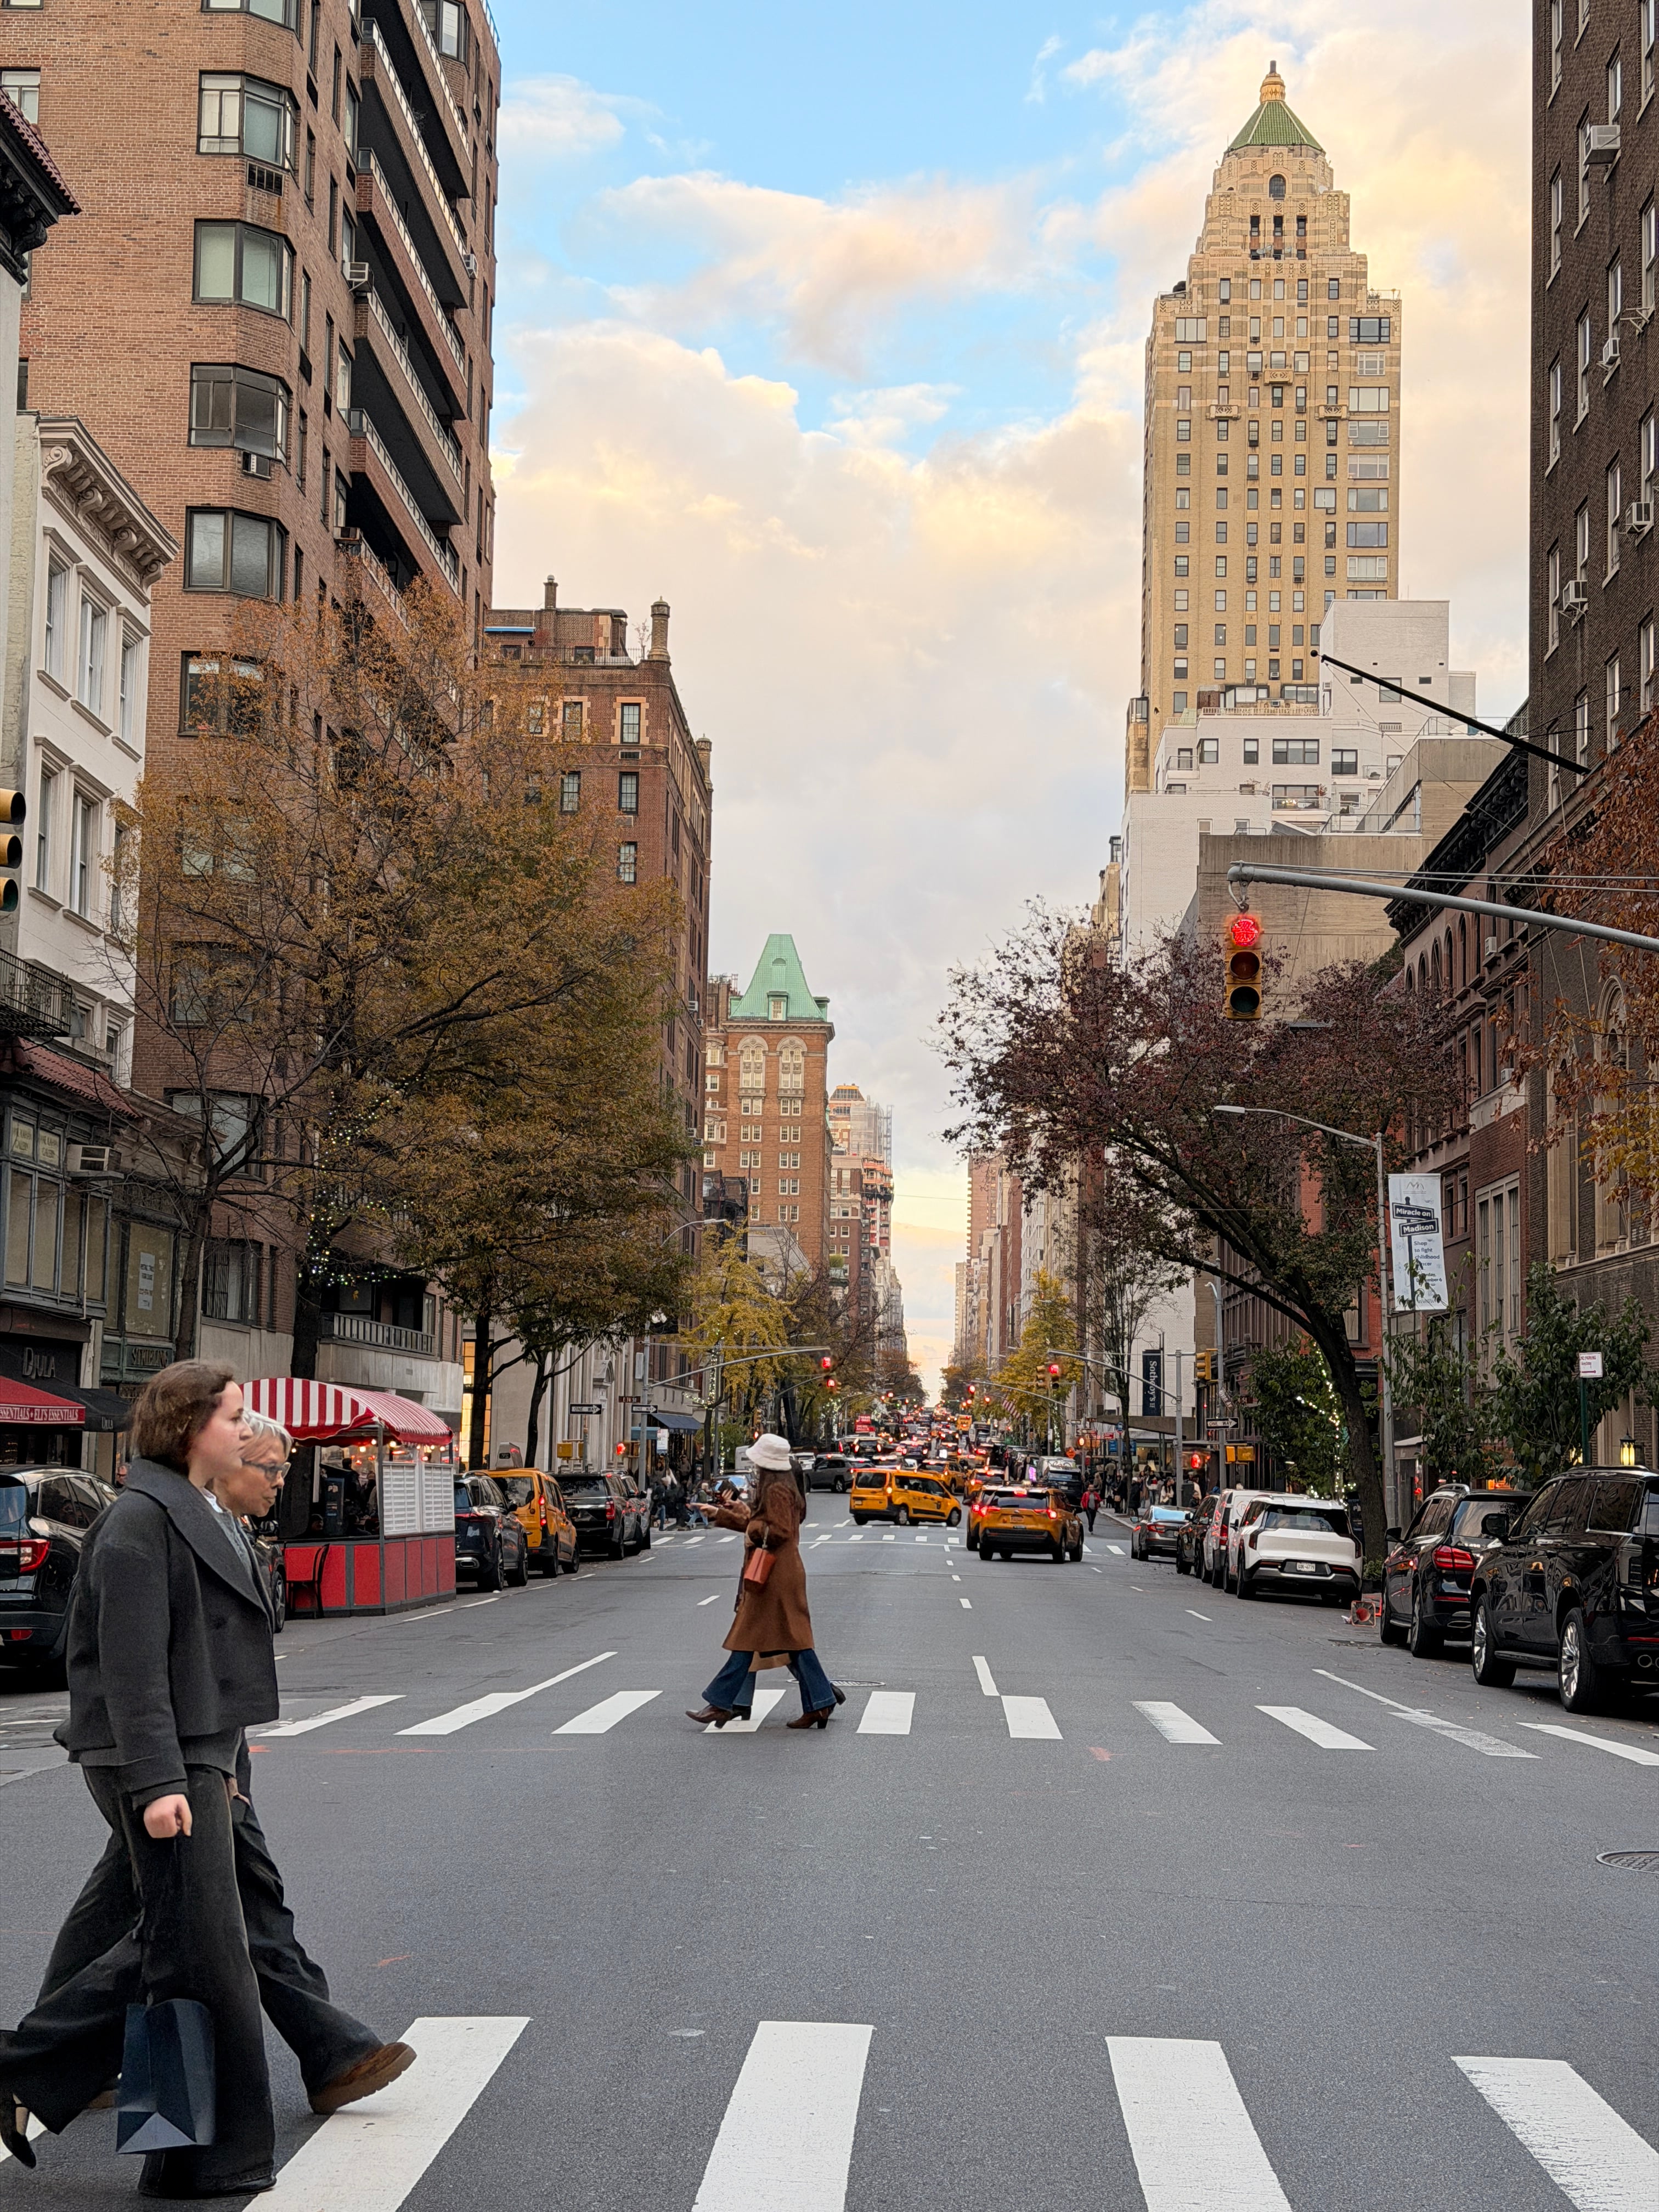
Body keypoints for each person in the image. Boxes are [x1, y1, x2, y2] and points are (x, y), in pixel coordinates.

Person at [30, 1408, 414, 2152]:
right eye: (267, 1466)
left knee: (154, 1906)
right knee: (211, 1919)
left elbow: (214, 1674)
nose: (279, 1481)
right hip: (168, 1765)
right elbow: (135, 1669)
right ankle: (324, 2051)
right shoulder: (146, 1526)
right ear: (213, 1455)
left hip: (197, 1761)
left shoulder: (220, 1527)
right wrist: (169, 1778)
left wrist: (225, 1764)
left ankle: (82, 2064)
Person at [685, 1434, 843, 1732]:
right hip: (779, 1575)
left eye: (758, 1463)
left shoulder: (778, 1491)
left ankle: (720, 1704)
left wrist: (751, 1521)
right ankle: (821, 1701)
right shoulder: (779, 1488)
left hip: (775, 1577)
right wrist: (723, 1514)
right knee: (793, 1643)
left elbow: (777, 1531)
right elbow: (764, 1525)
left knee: (749, 1639)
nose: (755, 1468)